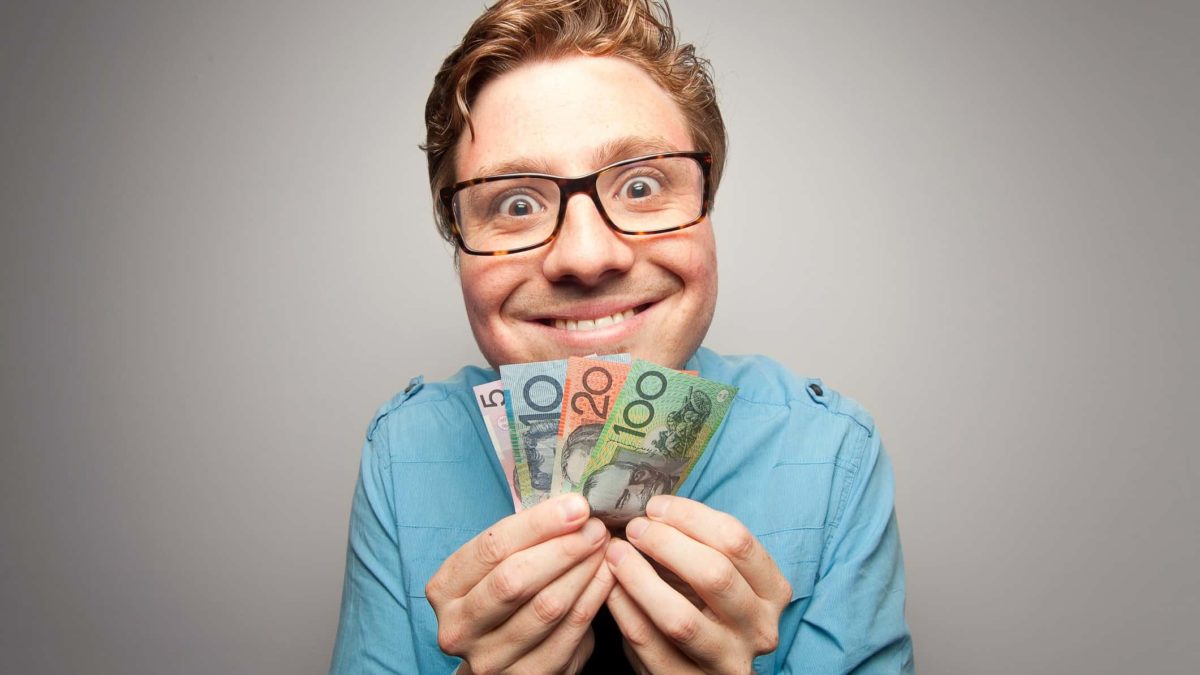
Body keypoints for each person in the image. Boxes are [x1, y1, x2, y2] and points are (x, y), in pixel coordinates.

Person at [330, 0, 913, 672]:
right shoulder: (402, 453)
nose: (587, 256)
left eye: (640, 185)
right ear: (457, 240)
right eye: (516, 203)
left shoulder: (833, 453)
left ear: (708, 201)